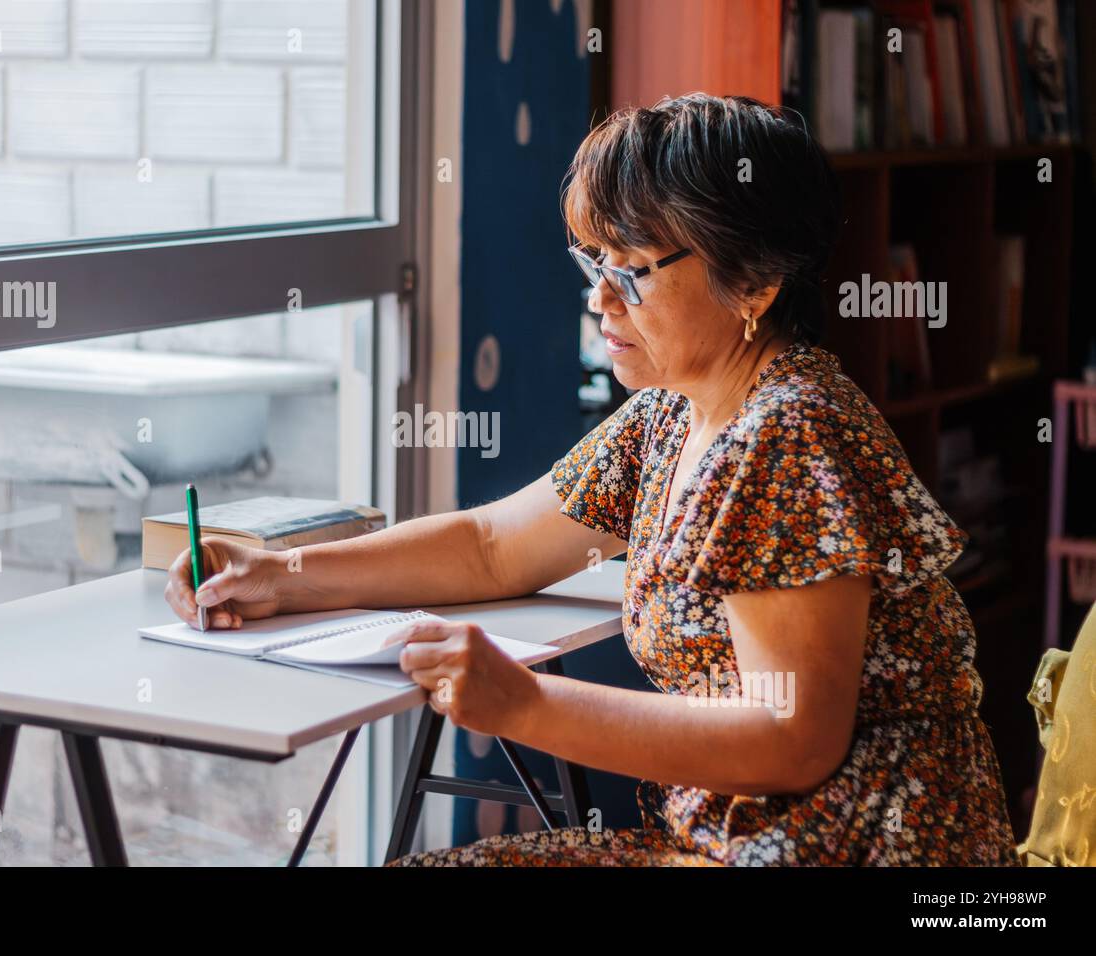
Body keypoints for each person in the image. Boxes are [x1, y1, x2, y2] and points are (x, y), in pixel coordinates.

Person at [166, 94, 1018, 866]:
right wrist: (285, 576)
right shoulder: (675, 412)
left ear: (753, 281)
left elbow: (792, 738)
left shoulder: (788, 432)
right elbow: (493, 548)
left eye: (632, 271)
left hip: (860, 847)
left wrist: (525, 704)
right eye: (592, 264)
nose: (600, 301)